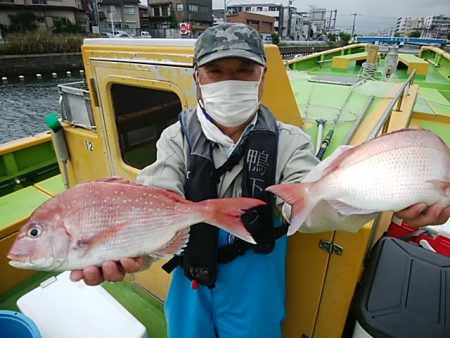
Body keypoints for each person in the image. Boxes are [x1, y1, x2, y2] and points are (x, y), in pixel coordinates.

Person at [70, 23, 450, 338]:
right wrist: (134, 250)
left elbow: (309, 200)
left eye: (243, 71)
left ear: (262, 78)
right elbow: (159, 196)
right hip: (191, 281)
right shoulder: (175, 137)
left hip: (256, 284)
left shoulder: (288, 140)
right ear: (197, 78)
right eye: (216, 72)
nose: (229, 81)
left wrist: (388, 198)